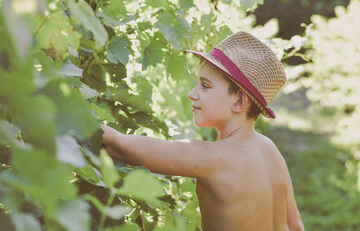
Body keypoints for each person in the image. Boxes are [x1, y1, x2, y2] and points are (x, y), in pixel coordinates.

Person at [101, 31, 304, 231]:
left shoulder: (212, 159)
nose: (192, 94)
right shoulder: (271, 151)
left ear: (239, 101)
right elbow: (295, 226)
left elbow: (117, 146)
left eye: (205, 86)